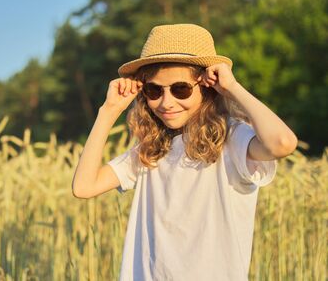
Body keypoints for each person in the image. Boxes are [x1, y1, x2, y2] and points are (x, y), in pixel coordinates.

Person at [71, 24, 297, 280]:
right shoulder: (150, 152)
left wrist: (232, 88)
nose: (166, 103)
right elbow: (83, 187)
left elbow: (282, 143)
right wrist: (108, 111)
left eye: (181, 89)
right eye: (154, 90)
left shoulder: (232, 140)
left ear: (208, 87)